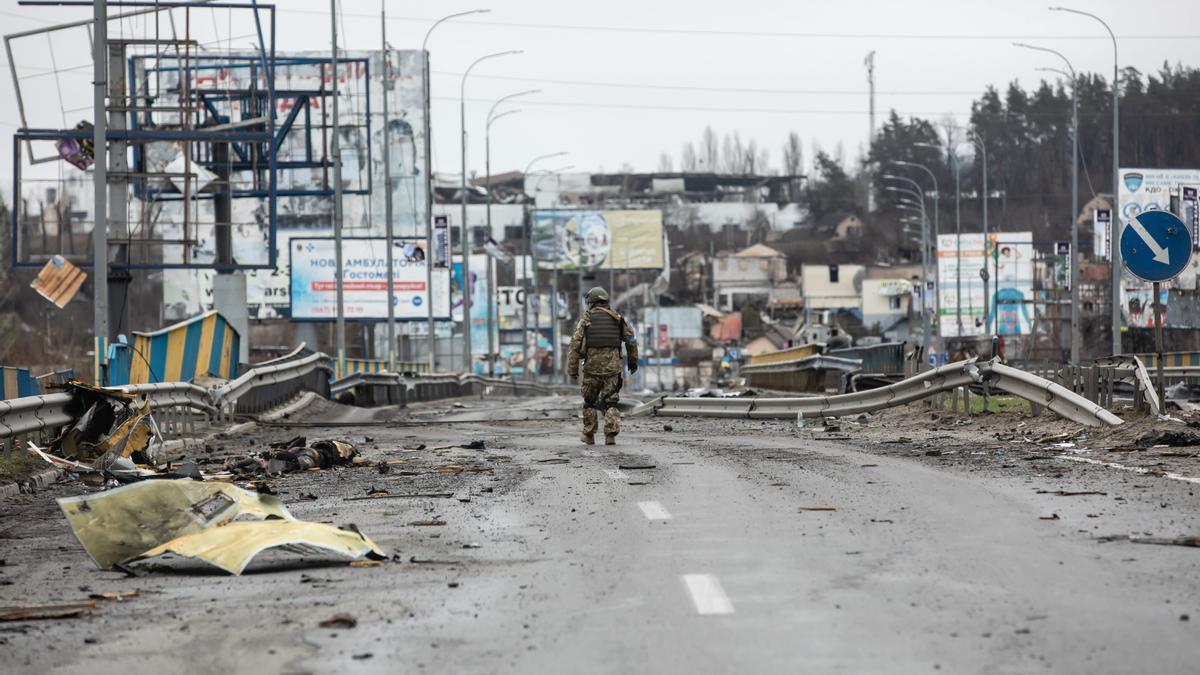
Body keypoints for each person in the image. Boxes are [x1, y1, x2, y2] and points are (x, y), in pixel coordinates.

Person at [567, 287, 637, 445]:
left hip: (592, 369)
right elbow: (631, 341)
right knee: (611, 402)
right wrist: (633, 362)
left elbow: (574, 345)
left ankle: (589, 435)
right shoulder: (618, 318)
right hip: (612, 369)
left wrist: (572, 369)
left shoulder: (586, 319)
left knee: (590, 401)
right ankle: (610, 436)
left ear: (591, 303)